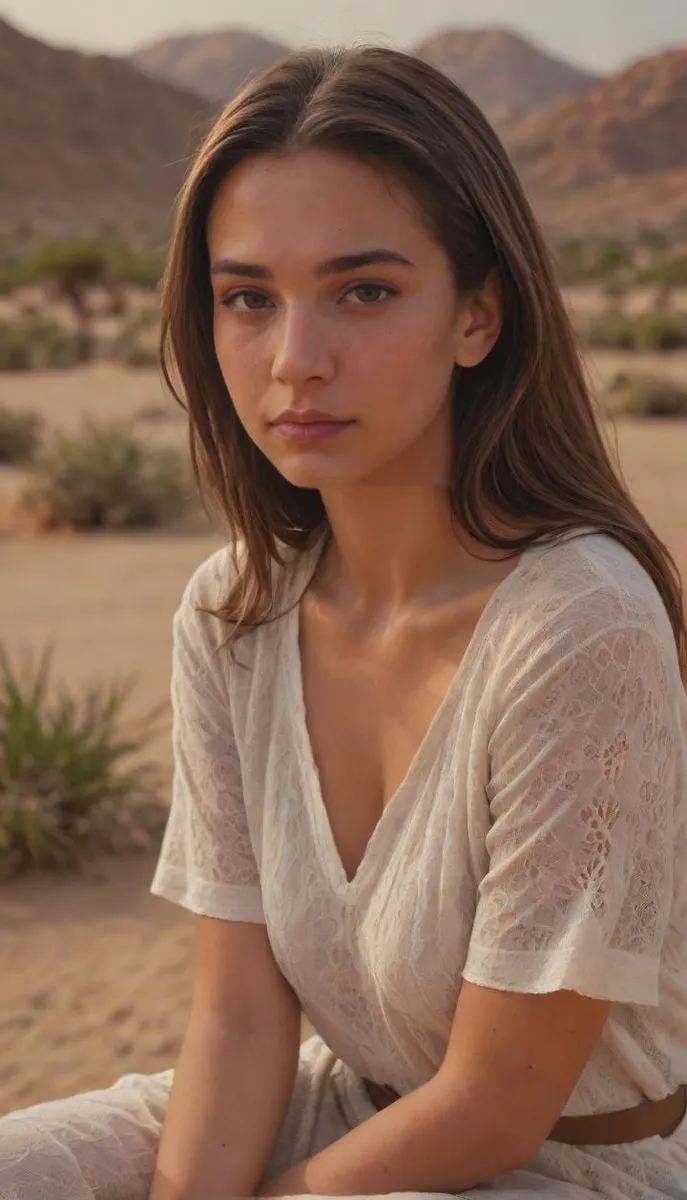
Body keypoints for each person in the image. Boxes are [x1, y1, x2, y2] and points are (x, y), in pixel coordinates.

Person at [1, 42, 686, 1200]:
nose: (294, 361)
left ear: (478, 316)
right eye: (248, 298)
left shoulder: (581, 625)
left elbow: (498, 1102)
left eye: (364, 291)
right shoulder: (233, 611)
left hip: (565, 1167)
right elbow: (238, 1018)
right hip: (335, 1111)